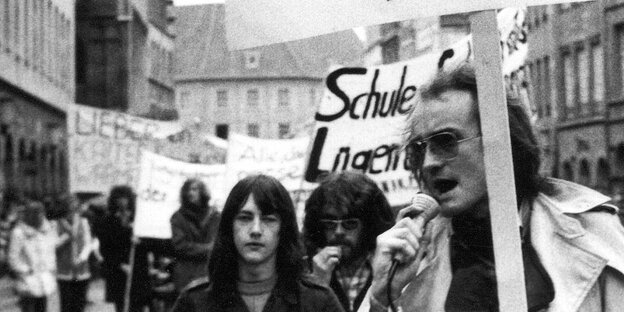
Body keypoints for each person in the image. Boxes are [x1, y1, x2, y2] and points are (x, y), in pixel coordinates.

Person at [361, 62, 624, 312]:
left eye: (445, 141)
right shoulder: (412, 255)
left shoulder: (589, 233)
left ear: (501, 140)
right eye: (419, 149)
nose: (429, 163)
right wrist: (383, 297)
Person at [172, 174, 345, 312]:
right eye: (245, 218)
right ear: (229, 226)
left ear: (283, 229)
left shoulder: (316, 301)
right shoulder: (195, 302)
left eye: (269, 219)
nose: (256, 229)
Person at [303, 171, 394, 312]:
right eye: (330, 224)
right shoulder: (305, 270)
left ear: (368, 224)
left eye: (350, 224)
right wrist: (317, 288)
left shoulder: (389, 266)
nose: (338, 231)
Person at [8, 201, 68, 312]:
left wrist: (65, 237)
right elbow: (13, 258)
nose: (39, 216)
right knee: (29, 308)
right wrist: (26, 270)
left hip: (44, 279)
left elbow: (52, 246)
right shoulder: (18, 232)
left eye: (41, 213)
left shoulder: (47, 229)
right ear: (28, 214)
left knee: (42, 308)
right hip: (28, 280)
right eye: (35, 213)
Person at [170, 178, 220, 292]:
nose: (191, 193)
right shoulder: (178, 217)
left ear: (202, 192)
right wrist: (207, 248)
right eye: (188, 190)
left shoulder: (215, 216)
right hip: (186, 273)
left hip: (208, 271)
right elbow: (180, 246)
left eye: (194, 189)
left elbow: (218, 242)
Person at [55, 194, 92, 312]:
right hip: (64, 271)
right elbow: (53, 246)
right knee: (66, 305)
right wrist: (66, 237)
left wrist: (81, 258)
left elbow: (88, 243)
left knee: (79, 304)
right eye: (70, 208)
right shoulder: (56, 224)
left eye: (75, 208)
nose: (73, 212)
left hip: (81, 270)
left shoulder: (84, 222)